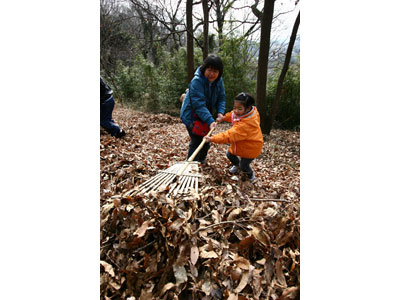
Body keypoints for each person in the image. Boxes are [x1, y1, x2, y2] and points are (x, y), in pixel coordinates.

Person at [204, 92, 263, 181]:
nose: (236, 110)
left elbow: (229, 135)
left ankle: (251, 175)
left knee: (244, 165)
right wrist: (223, 118)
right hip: (242, 143)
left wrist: (212, 139)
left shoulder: (246, 125)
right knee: (230, 154)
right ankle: (236, 165)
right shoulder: (243, 113)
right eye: (234, 107)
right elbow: (232, 115)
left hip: (252, 147)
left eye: (239, 109)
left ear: (248, 108)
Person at [180, 54, 226, 163]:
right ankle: (191, 165)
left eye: (215, 71)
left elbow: (221, 97)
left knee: (206, 140)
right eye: (209, 70)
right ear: (204, 68)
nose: (212, 74)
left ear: (219, 73)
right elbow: (198, 105)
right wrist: (210, 120)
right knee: (196, 140)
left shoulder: (219, 81)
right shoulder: (197, 81)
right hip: (191, 115)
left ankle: (201, 161)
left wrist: (220, 112)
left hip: (205, 115)